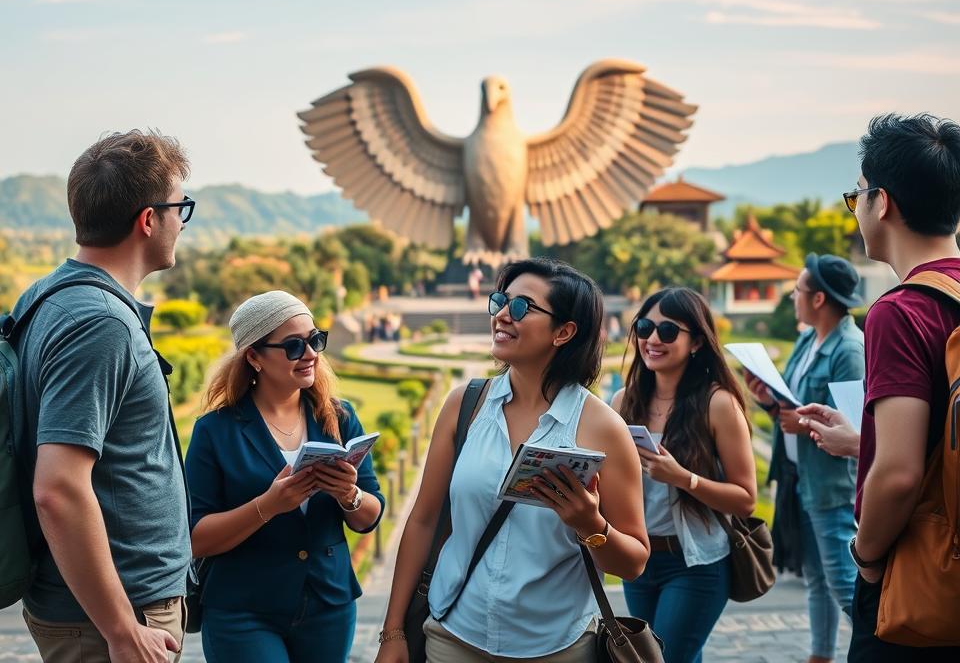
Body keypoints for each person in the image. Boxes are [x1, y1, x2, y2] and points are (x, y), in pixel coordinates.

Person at [375, 258, 649, 663]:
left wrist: (590, 525)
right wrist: (393, 631)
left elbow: (634, 562)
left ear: (564, 332)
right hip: (453, 636)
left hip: (556, 647)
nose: (502, 315)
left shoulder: (602, 429)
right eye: (501, 301)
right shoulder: (464, 405)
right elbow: (423, 520)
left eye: (522, 307)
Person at [14, 130, 194, 662]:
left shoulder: (47, 295)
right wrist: (121, 630)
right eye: (179, 208)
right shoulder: (101, 324)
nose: (182, 222)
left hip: (99, 608)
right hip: (112, 616)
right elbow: (59, 489)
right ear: (148, 219)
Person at [185, 290, 384, 663]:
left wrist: (349, 495)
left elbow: (370, 515)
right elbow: (195, 538)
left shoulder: (339, 418)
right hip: (242, 611)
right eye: (294, 346)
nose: (310, 354)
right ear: (254, 357)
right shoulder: (215, 431)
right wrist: (268, 506)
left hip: (328, 603)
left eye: (315, 340)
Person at [842, 113, 960, 661]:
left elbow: (899, 473)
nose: (858, 209)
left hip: (922, 573)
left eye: (857, 195)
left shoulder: (901, 311)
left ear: (882, 202)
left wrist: (866, 557)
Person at [613, 287, 757, 663]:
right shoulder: (623, 403)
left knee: (662, 659)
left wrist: (682, 477)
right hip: (638, 561)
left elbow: (746, 497)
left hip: (696, 563)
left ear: (696, 342)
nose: (653, 339)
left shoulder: (718, 403)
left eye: (668, 331)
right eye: (645, 328)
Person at [744, 254, 864, 663]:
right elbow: (791, 408)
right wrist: (767, 400)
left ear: (817, 299)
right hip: (799, 478)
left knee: (844, 583)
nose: (792, 296)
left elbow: (852, 423)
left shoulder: (849, 349)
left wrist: (803, 424)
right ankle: (820, 655)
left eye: (797, 289)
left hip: (831, 485)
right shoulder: (807, 339)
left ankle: (877, 648)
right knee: (817, 578)